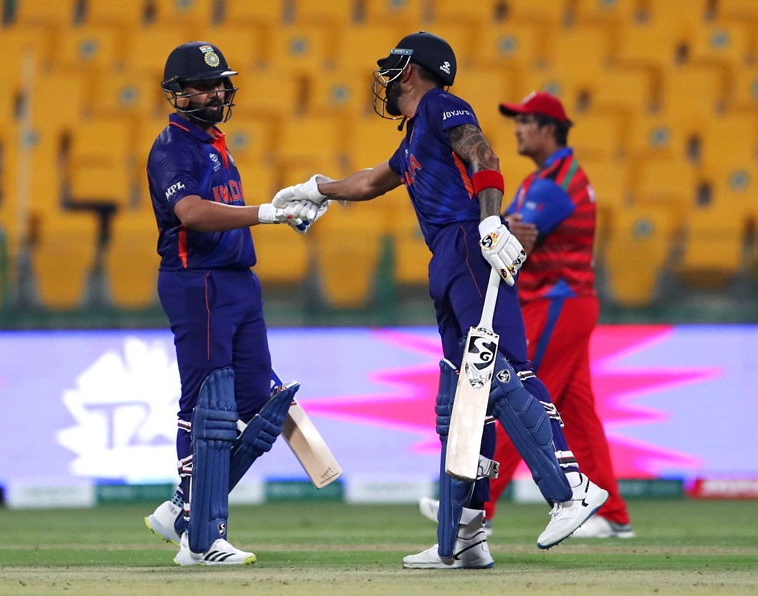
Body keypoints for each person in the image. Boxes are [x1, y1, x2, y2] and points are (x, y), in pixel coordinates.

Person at [271, 31, 608, 569]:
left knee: (496, 370)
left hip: (467, 245)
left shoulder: (440, 104)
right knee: (461, 400)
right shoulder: (414, 136)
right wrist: (318, 188)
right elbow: (369, 182)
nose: (386, 77)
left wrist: (491, 219)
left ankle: (570, 486)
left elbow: (482, 152)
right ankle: (465, 535)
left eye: (394, 66)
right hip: (447, 257)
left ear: (411, 71)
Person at [140, 41, 325, 566]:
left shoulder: (215, 143)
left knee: (259, 404)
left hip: (238, 282)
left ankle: (184, 507)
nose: (217, 92)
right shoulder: (172, 147)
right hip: (197, 281)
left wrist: (280, 209)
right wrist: (268, 213)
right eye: (204, 85)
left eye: (221, 83)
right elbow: (194, 213)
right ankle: (200, 538)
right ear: (177, 94)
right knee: (205, 402)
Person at [418, 92, 634, 540]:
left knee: (514, 392)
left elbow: (516, 241)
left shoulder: (554, 183)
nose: (517, 128)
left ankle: (483, 507)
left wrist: (503, 226)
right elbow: (517, 229)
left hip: (555, 300)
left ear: (549, 128)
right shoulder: (560, 177)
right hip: (572, 300)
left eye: (525, 121)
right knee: (579, 411)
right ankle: (613, 514)